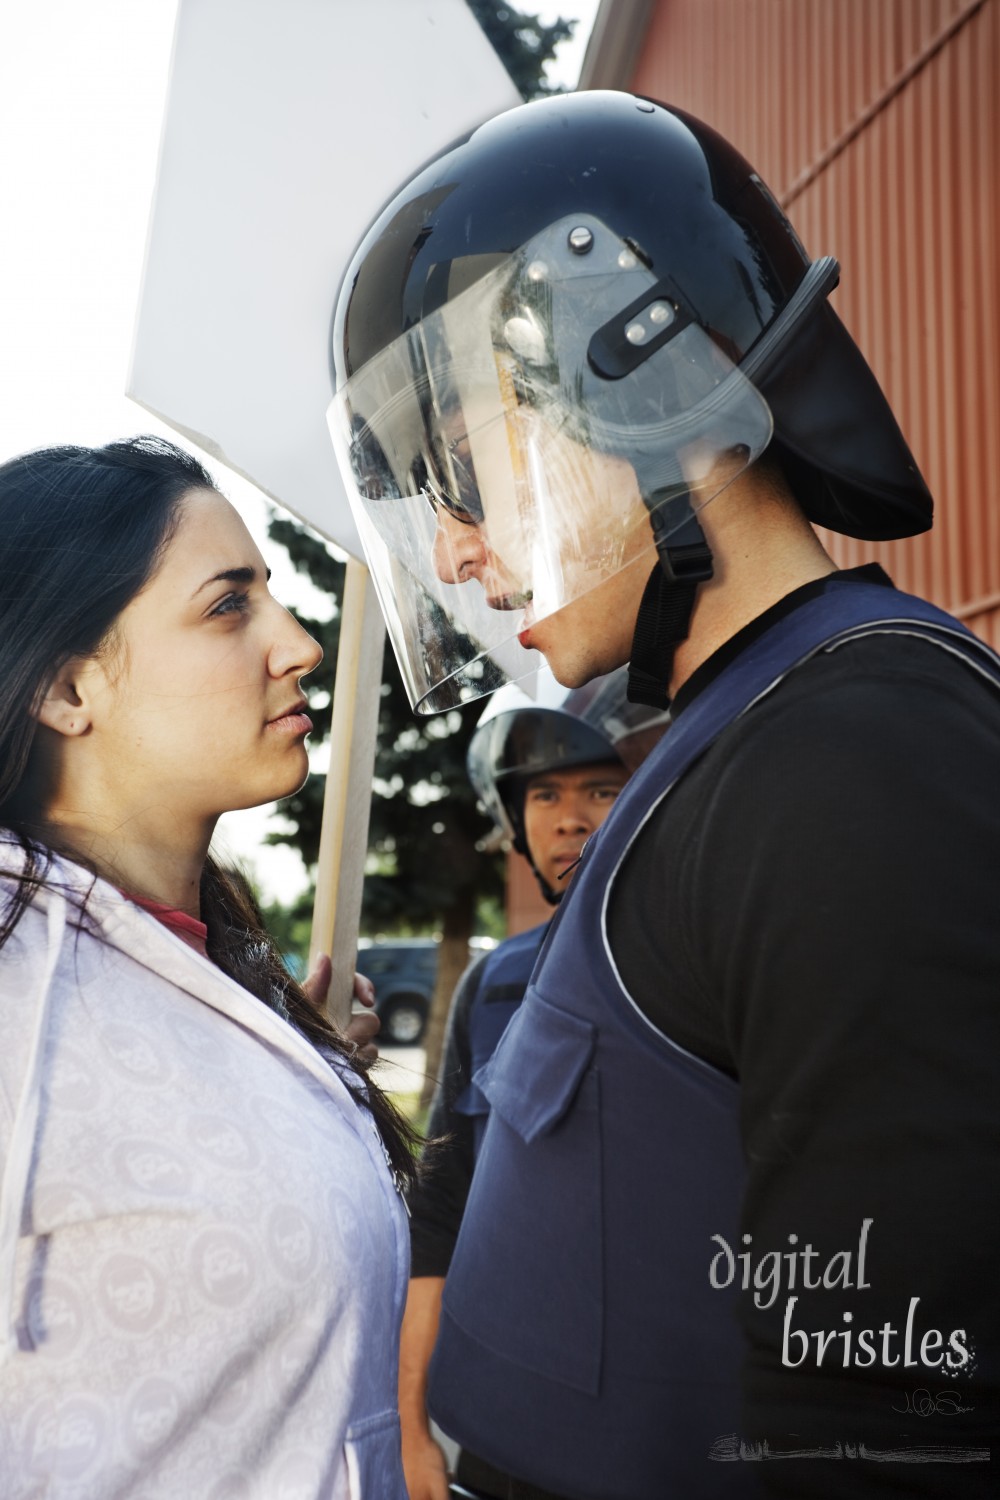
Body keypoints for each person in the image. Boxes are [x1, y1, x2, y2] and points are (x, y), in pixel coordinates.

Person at [329, 92, 1000, 1498]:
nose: (454, 553)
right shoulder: (744, 733)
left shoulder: (862, 752)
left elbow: (891, 1427)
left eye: (463, 467)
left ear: (637, 376)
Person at [0, 436, 415, 1497]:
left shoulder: (216, 972)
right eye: (229, 606)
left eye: (273, 595)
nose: (300, 643)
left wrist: (293, 1072)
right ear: (66, 688)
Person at [402, 668, 666, 1500]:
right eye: (544, 796)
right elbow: (442, 1208)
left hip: (672, 1435)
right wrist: (410, 1428)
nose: (572, 819)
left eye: (600, 788)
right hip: (509, 1436)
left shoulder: (700, 965)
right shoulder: (497, 983)